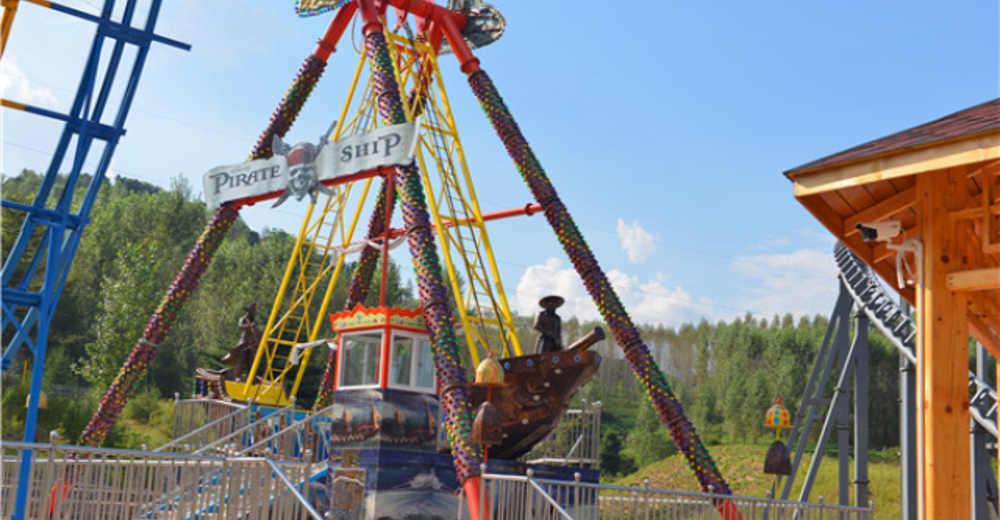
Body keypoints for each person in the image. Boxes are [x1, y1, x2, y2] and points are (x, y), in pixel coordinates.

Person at [224, 303, 261, 381]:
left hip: (251, 343)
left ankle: (251, 376)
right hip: (244, 341)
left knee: (251, 360)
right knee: (240, 358)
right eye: (254, 310)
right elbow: (240, 326)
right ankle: (237, 375)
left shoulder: (254, 321)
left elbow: (256, 331)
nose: (255, 312)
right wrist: (249, 326)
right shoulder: (244, 319)